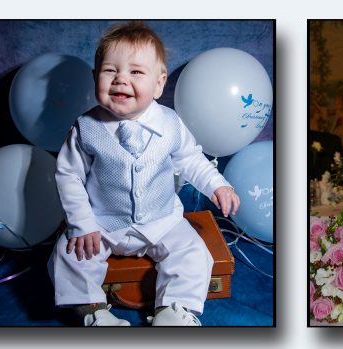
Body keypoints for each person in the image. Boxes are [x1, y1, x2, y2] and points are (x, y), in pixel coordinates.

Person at [48, 21, 240, 327]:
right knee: (67, 254)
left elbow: (191, 159)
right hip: (103, 222)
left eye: (136, 72)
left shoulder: (170, 123)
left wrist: (217, 184)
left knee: (192, 251)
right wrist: (83, 225)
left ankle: (174, 310)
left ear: (159, 83)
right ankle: (94, 312)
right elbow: (68, 176)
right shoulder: (85, 128)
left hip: (161, 220)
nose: (121, 79)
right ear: (94, 77)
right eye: (110, 70)